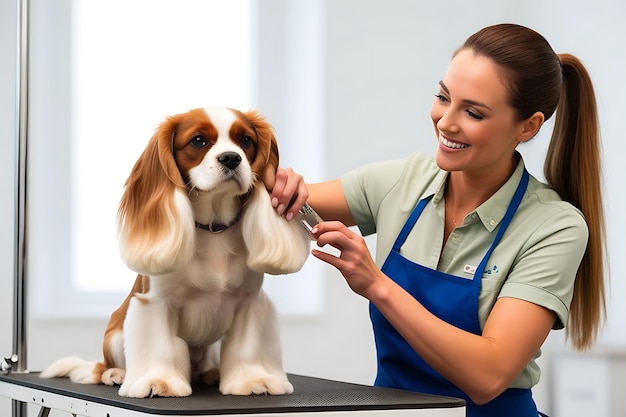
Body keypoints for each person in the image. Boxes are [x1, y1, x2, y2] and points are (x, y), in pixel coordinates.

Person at [269, 23, 607, 417]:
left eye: (473, 112)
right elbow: (271, 205)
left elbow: (488, 376)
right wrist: (274, 183)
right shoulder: (401, 183)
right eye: (443, 97)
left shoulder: (554, 227)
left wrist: (378, 285)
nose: (445, 122)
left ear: (528, 126)